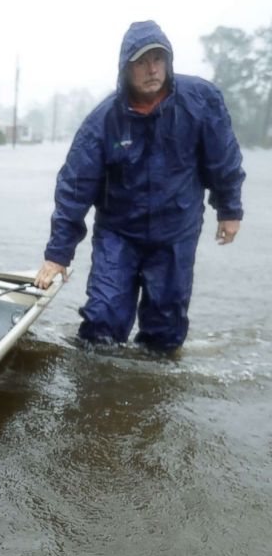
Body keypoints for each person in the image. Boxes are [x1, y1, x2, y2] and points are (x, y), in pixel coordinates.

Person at [34, 20, 245, 352]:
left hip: (177, 230)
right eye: (142, 62)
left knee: (164, 331)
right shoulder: (103, 121)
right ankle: (101, 388)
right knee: (101, 324)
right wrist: (57, 255)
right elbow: (75, 188)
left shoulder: (201, 101)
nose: (152, 69)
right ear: (125, 68)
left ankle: (152, 384)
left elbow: (224, 159)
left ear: (169, 63)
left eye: (158, 59)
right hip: (119, 233)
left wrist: (229, 210)